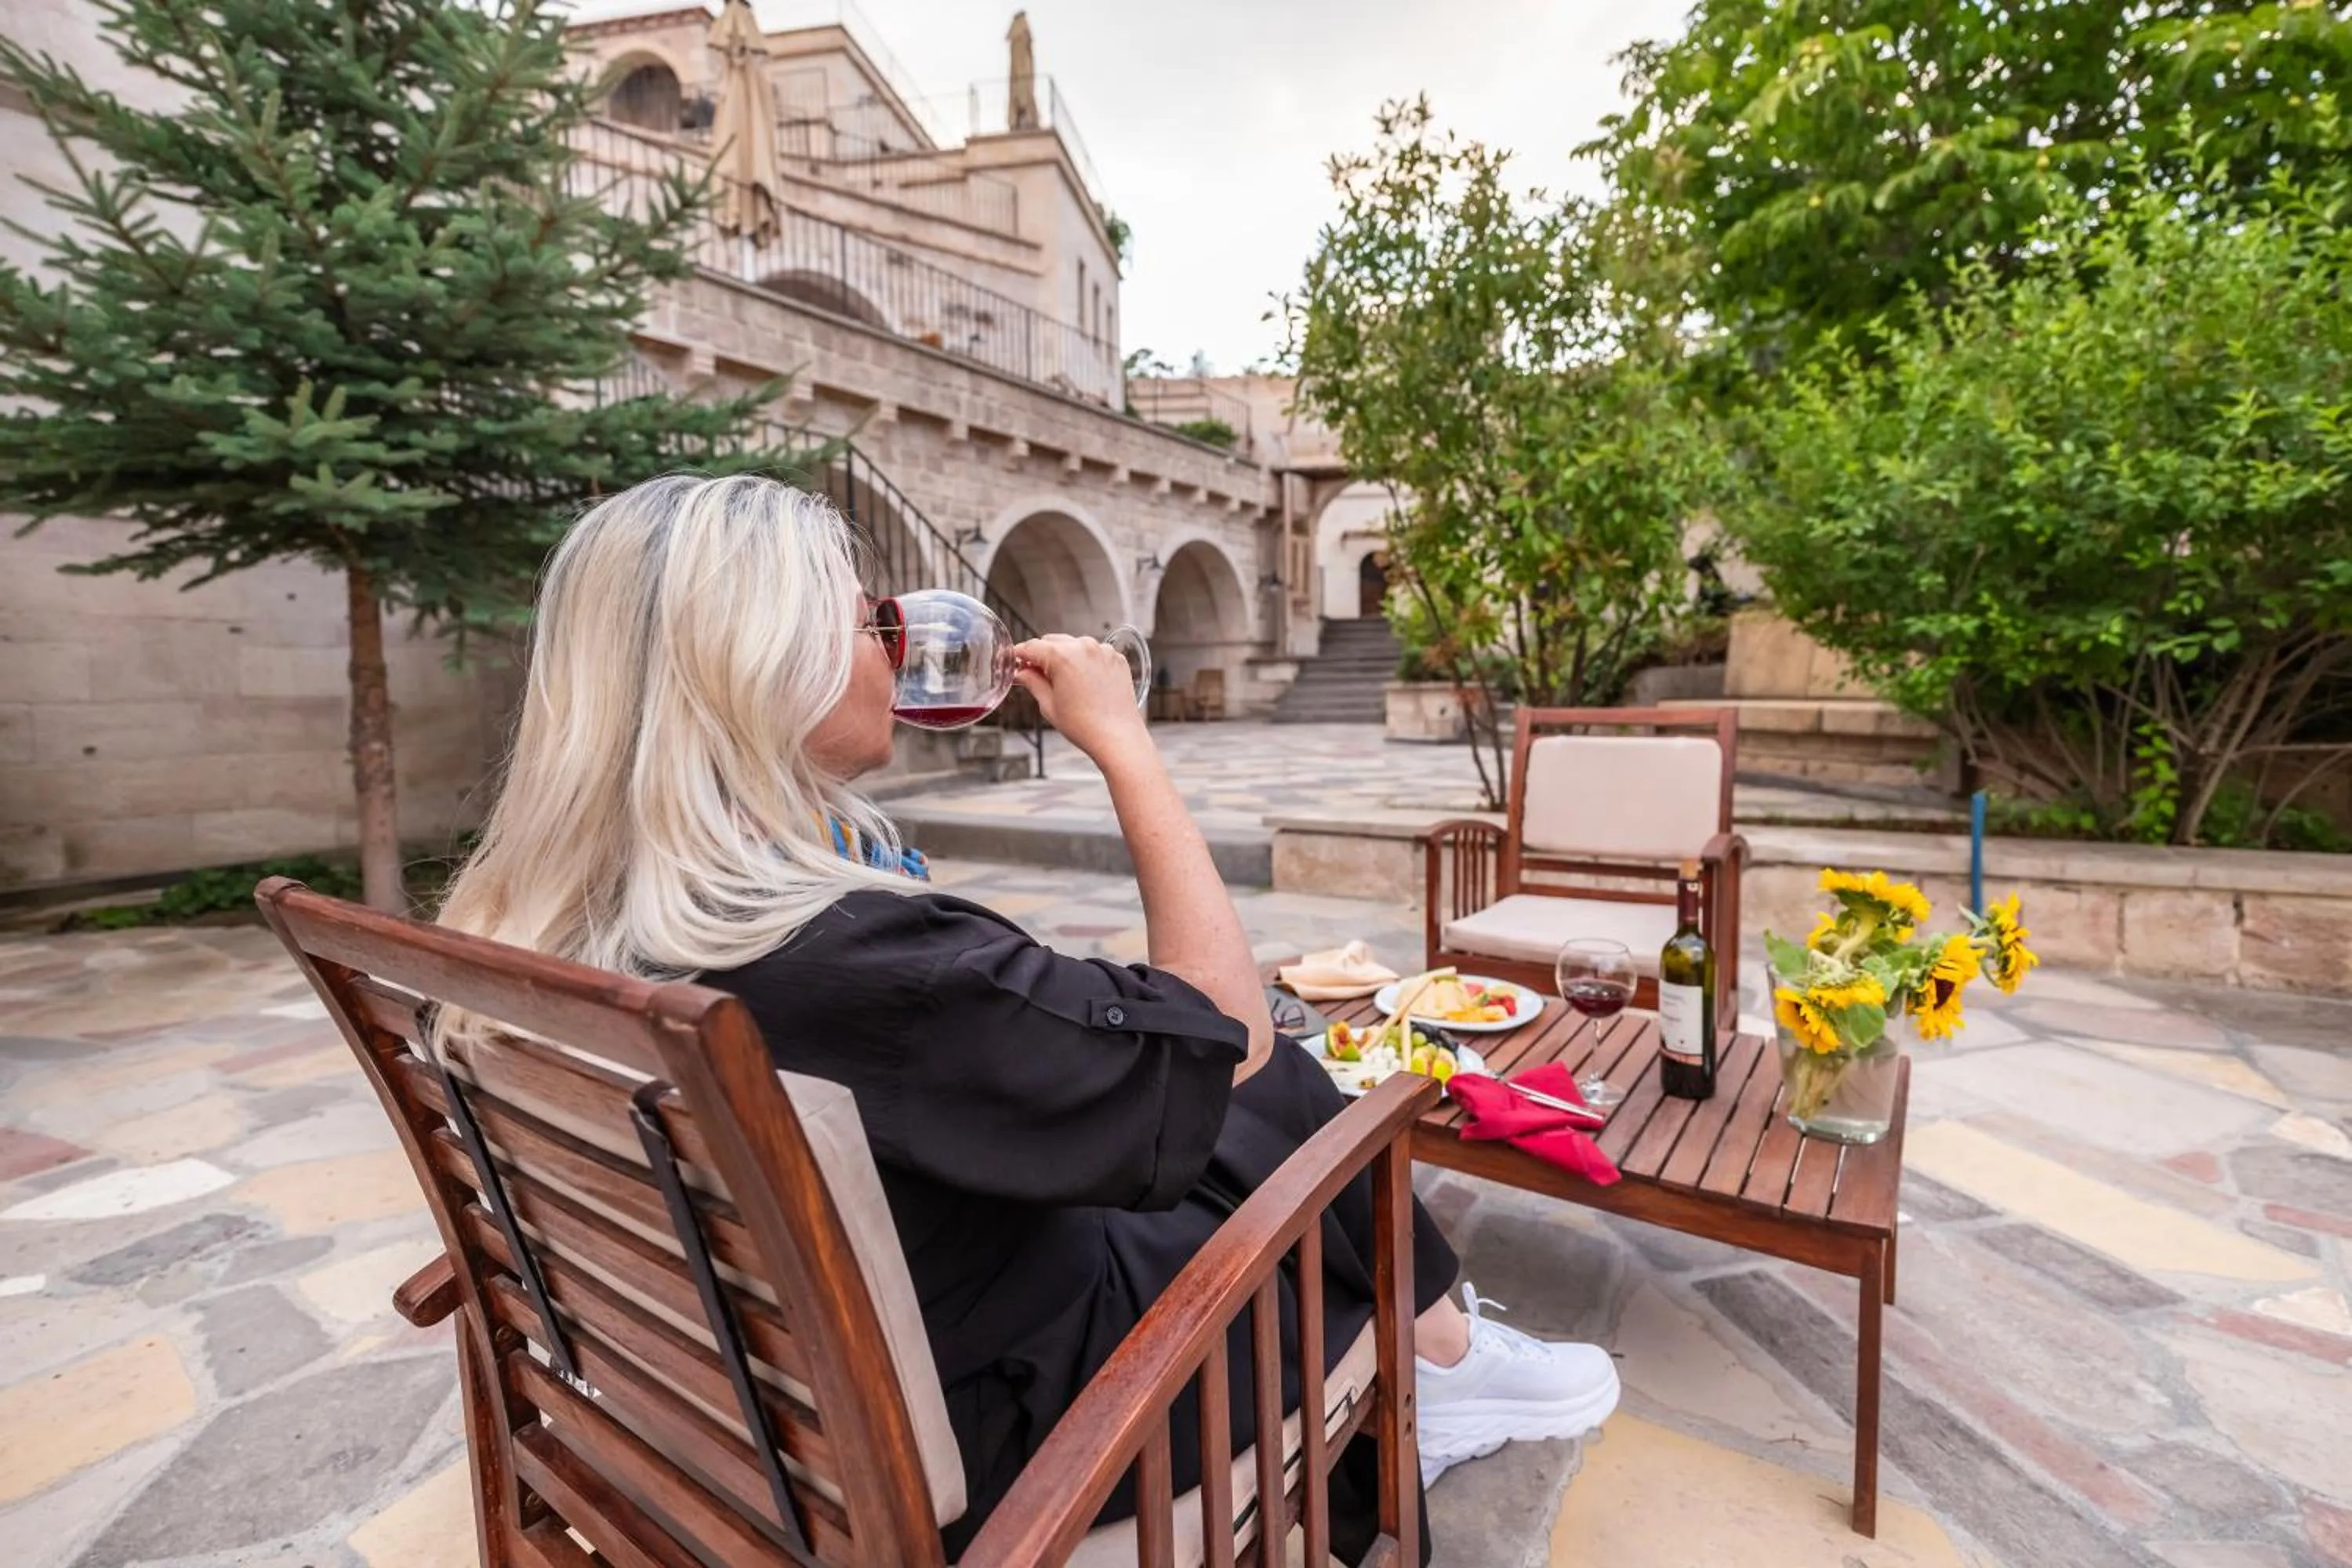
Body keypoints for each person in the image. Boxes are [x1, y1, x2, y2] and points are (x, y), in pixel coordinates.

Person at [435, 474, 1618, 1561]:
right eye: (861, 623)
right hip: (1018, 1421)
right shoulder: (857, 964)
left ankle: (1448, 1345)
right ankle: (1447, 1360)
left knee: (1238, 1091)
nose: (890, 647)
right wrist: (1124, 745)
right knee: (1284, 1087)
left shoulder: (539, 936)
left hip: (748, 1399)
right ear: (763, 665)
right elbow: (1226, 1034)